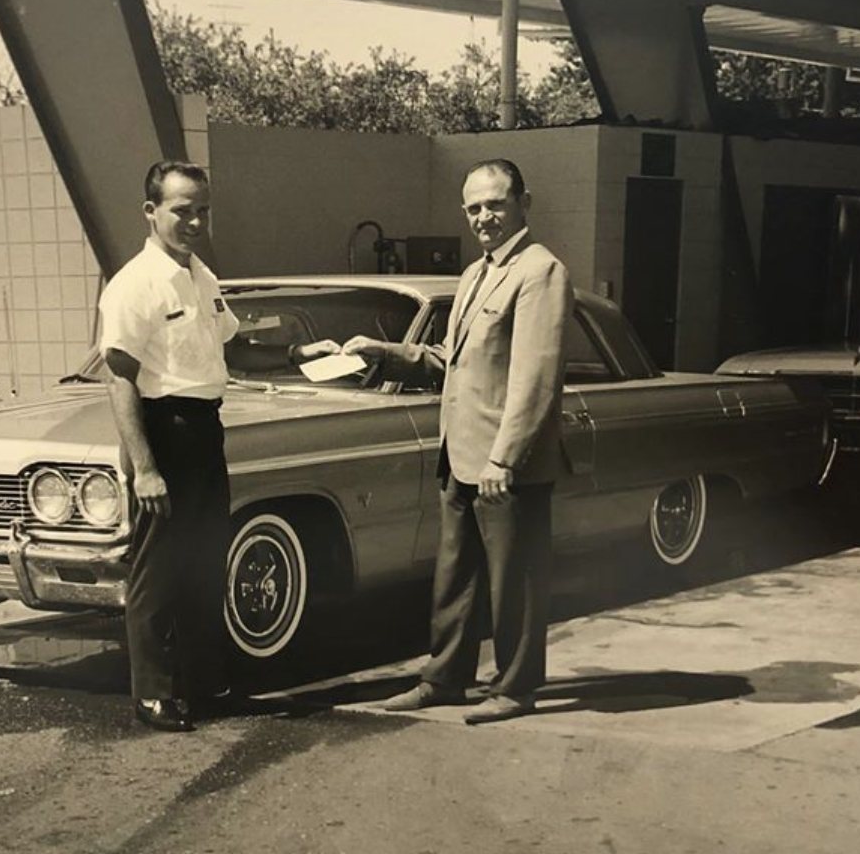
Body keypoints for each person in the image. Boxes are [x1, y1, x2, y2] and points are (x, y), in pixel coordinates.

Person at [99, 160, 331, 733]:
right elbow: (120, 376)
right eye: (182, 210)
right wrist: (145, 469)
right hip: (162, 430)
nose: (196, 221)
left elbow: (233, 354)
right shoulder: (134, 284)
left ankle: (205, 685)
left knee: (204, 563)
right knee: (158, 570)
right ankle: (153, 693)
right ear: (151, 212)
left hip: (203, 428)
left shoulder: (202, 276)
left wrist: (298, 356)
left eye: (203, 210)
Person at [344, 159, 572, 725]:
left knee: (514, 580)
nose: (483, 217)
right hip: (461, 454)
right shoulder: (475, 275)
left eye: (495, 203)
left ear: (524, 201)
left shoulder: (540, 270)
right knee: (456, 579)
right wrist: (385, 354)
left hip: (504, 463)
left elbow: (536, 376)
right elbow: (453, 363)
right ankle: (445, 679)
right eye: (473, 207)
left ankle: (516, 688)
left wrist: (506, 456)